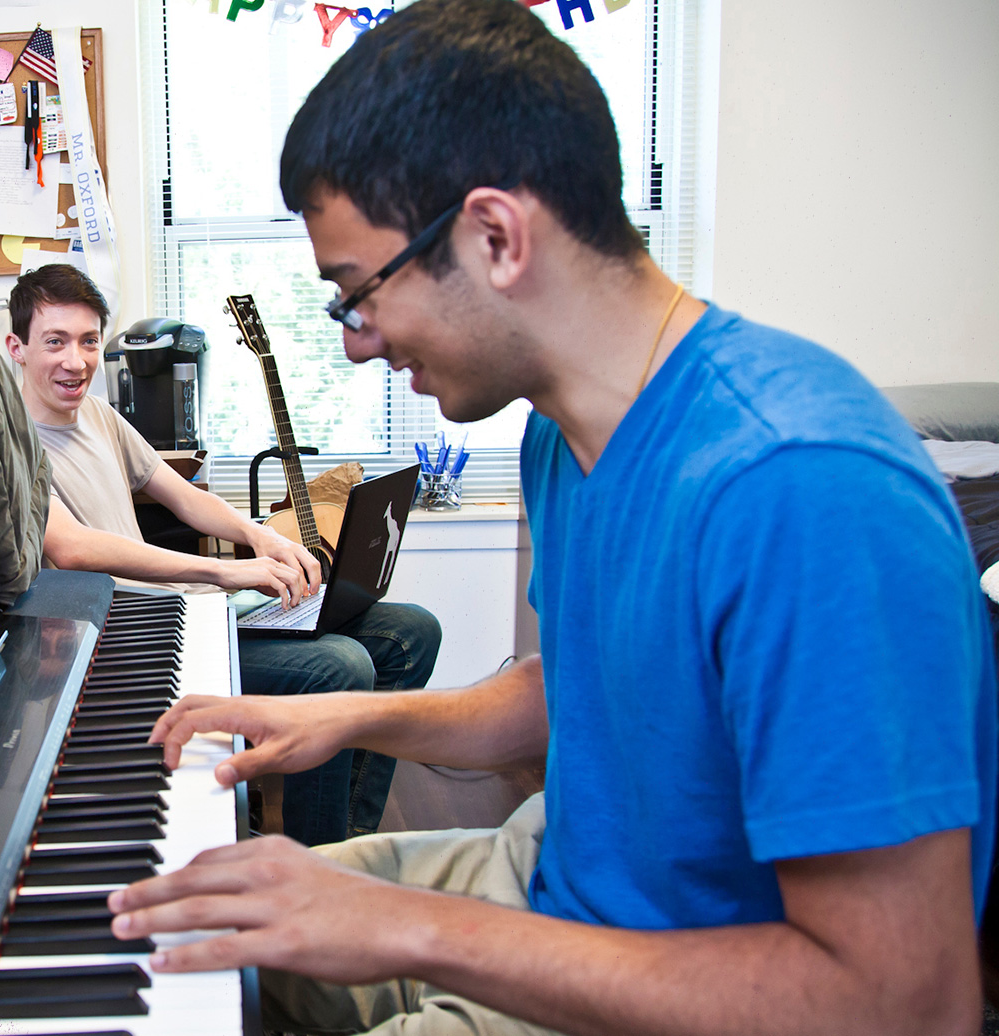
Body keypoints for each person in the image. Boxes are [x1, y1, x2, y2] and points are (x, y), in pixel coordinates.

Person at [104, 2, 998, 1035]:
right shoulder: (561, 430)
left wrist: (408, 928)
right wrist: (342, 714)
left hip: (683, 981)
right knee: (176, 929)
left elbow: (903, 1003)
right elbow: (587, 685)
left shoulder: (802, 490)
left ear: (494, 235)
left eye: (358, 294)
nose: (352, 343)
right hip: (542, 870)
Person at [4, 263, 442, 847]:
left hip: (191, 610)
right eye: (54, 342)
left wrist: (264, 537)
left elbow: (182, 494)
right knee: (341, 666)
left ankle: (350, 841)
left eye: (88, 341)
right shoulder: (6, 441)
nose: (75, 361)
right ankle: (311, 862)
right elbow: (71, 547)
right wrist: (226, 569)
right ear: (17, 347)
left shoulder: (98, 414)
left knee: (413, 632)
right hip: (130, 638)